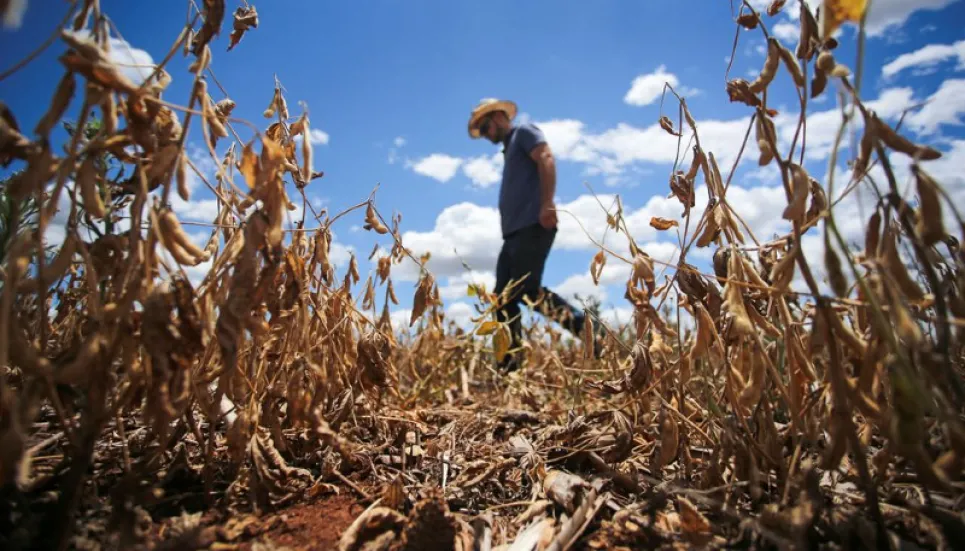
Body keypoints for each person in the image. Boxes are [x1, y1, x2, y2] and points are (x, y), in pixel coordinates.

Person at [467, 98, 602, 372]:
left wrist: (547, 203)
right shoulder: (509, 150)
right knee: (502, 299)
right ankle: (508, 366)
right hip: (513, 234)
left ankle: (592, 333)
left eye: (485, 128)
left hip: (533, 225)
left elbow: (545, 157)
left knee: (525, 291)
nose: (485, 135)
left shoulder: (524, 133)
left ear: (497, 118)